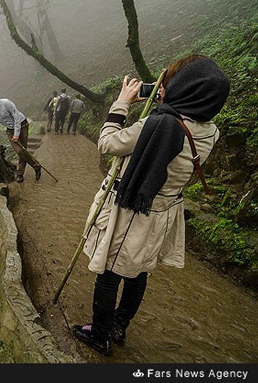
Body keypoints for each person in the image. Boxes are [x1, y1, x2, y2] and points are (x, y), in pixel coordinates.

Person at [72, 55, 230, 356]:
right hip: (163, 210)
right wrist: (167, 101)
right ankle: (119, 325)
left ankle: (101, 334)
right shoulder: (210, 131)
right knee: (139, 270)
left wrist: (121, 103)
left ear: (185, 87)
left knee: (109, 270)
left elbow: (108, 143)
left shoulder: (158, 124)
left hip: (131, 210)